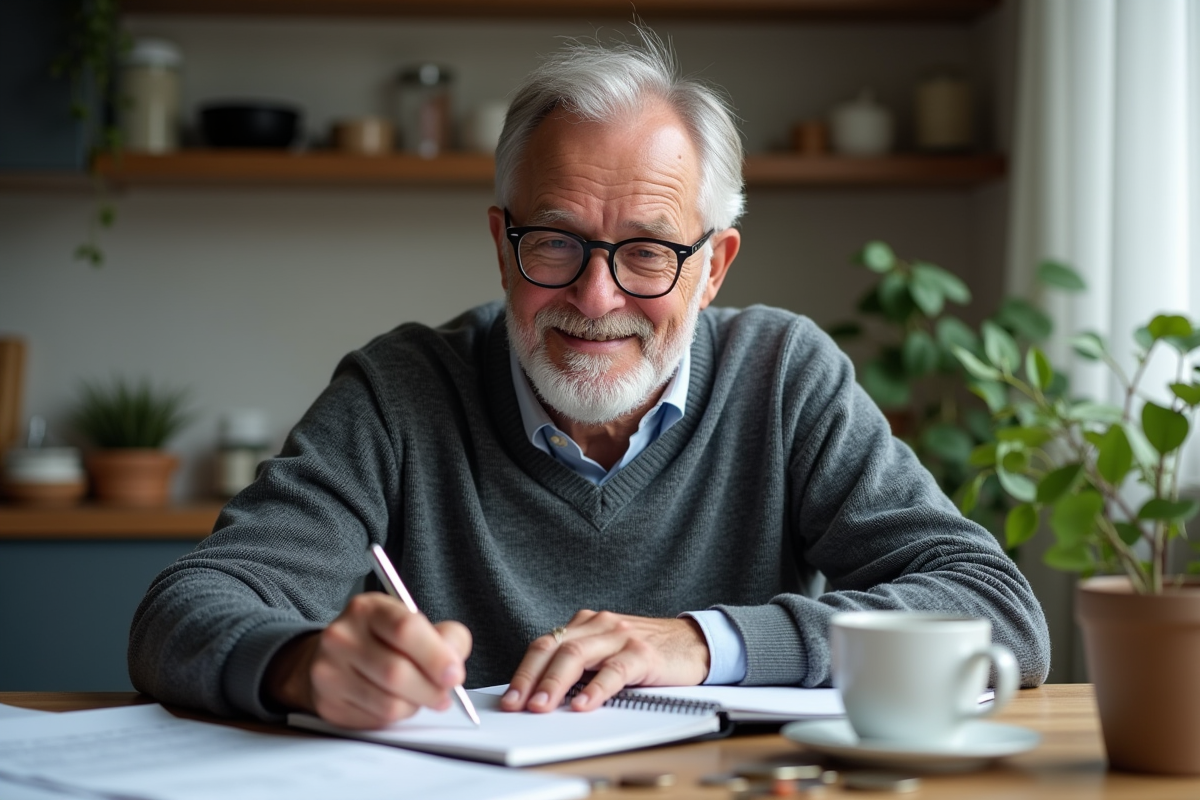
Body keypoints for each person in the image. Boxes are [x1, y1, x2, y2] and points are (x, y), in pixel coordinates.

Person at [129, 29, 1050, 729]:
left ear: (714, 266)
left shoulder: (784, 375)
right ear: (502, 244)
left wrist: (702, 643)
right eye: (556, 243)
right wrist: (300, 665)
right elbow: (182, 612)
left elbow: (996, 609)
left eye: (647, 251)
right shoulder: (400, 389)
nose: (596, 297)